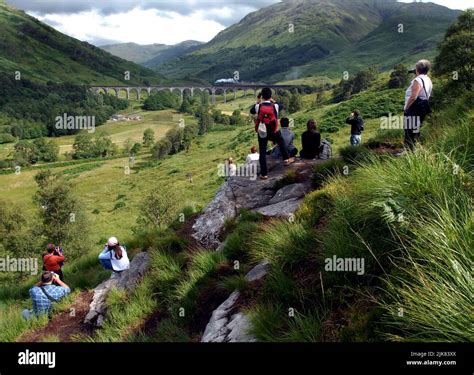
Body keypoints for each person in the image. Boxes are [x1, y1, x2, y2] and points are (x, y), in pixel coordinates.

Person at [250, 87, 293, 180]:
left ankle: (264, 174)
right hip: (273, 131)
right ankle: (286, 159)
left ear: (262, 96)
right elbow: (282, 105)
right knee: (281, 141)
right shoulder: (275, 106)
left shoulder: (259, 106)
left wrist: (258, 101)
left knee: (262, 151)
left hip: (262, 132)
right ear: (270, 96)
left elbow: (251, 111)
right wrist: (273, 100)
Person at [404, 59, 433, 148]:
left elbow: (413, 97)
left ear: (417, 69)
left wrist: (406, 108)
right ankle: (414, 150)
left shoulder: (417, 80)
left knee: (409, 131)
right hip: (423, 106)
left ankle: (409, 151)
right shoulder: (427, 79)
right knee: (415, 129)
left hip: (415, 107)